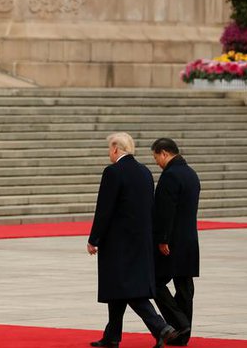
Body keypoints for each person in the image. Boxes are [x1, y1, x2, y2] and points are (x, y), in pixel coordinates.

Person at [87, 132, 177, 348]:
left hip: (118, 243)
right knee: (118, 288)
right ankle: (112, 336)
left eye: (110, 148)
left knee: (126, 289)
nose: (109, 153)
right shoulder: (145, 172)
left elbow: (104, 209)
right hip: (140, 241)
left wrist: (94, 238)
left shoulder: (113, 172)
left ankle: (161, 327)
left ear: (116, 149)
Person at [151, 138, 201, 346]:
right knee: (184, 286)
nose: (157, 163)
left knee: (155, 283)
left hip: (172, 242)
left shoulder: (170, 176)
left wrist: (162, 239)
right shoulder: (191, 174)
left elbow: (165, 211)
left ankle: (178, 323)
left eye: (156, 158)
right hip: (189, 239)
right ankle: (183, 334)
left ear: (164, 153)